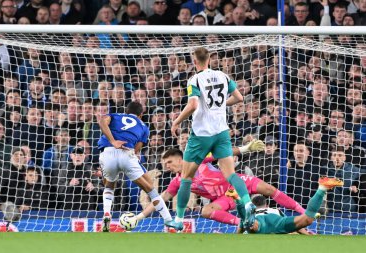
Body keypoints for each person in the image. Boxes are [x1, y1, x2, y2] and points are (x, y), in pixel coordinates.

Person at [170, 47, 254, 231]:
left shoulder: (194, 79)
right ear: (209, 59)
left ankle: (178, 219)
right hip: (222, 132)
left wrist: (176, 121)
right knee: (231, 174)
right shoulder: (223, 76)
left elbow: (192, 105)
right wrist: (222, 105)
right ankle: (248, 204)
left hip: (201, 134)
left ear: (194, 60)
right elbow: (239, 97)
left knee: (185, 177)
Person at [132, 146, 305, 226]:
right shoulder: (177, 181)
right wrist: (139, 217)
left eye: (169, 162)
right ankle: (244, 224)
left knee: (269, 189)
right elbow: (160, 200)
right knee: (206, 211)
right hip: (225, 197)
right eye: (165, 163)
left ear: (180, 158)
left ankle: (303, 212)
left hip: (237, 182)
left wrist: (246, 148)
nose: (167, 166)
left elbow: (224, 153)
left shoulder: (198, 160)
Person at [98, 101, 176, 232]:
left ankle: (106, 214)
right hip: (127, 154)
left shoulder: (115, 115)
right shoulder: (143, 126)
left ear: (126, 111)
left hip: (107, 152)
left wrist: (113, 141)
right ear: (141, 114)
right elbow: (136, 149)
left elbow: (102, 120)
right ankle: (169, 221)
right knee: (150, 189)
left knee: (109, 185)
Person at [226, 177, 344, 234]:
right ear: (266, 204)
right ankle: (322, 189)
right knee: (307, 219)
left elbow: (241, 226)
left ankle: (238, 200)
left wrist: (238, 236)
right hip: (278, 222)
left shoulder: (255, 214)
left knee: (250, 225)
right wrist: (307, 235)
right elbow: (296, 226)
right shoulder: (275, 209)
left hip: (260, 222)